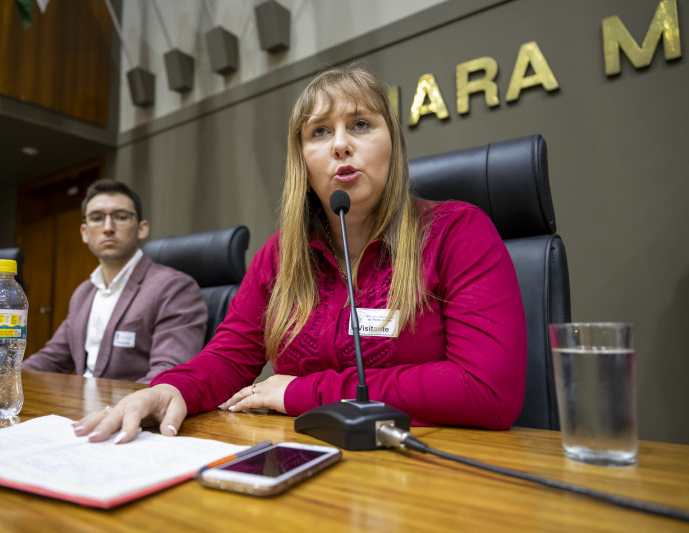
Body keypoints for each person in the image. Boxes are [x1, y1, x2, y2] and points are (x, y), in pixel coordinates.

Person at [75, 65, 526, 444]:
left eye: (361, 125)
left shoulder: (456, 232)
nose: (340, 145)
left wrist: (304, 393)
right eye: (320, 132)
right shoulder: (280, 254)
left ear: (394, 144)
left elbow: (487, 390)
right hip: (302, 455)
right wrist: (169, 388)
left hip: (426, 468)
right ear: (303, 161)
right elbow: (230, 357)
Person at [22, 179, 207, 384]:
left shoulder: (174, 288)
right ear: (84, 232)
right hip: (78, 408)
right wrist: (3, 380)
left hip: (133, 411)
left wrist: (114, 413)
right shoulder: (83, 293)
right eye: (97, 218)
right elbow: (51, 359)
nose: (108, 228)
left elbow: (168, 373)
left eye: (120, 217)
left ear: (142, 228)